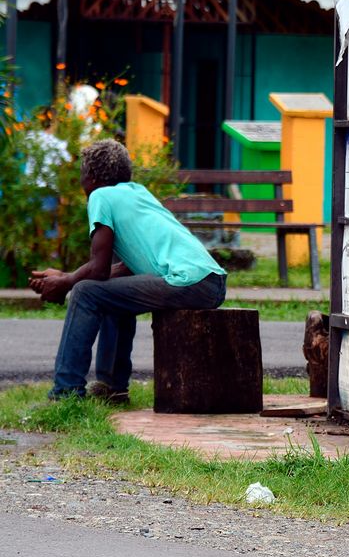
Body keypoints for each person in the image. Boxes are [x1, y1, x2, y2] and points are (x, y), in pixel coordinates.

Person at [29, 139, 227, 402]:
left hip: (188, 281)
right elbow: (122, 269)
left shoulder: (101, 196)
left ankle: (65, 392)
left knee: (86, 292)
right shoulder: (137, 192)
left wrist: (66, 284)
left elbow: (98, 271)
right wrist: (65, 277)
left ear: (93, 176)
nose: (81, 182)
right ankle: (113, 388)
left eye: (81, 174)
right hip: (211, 281)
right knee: (107, 295)